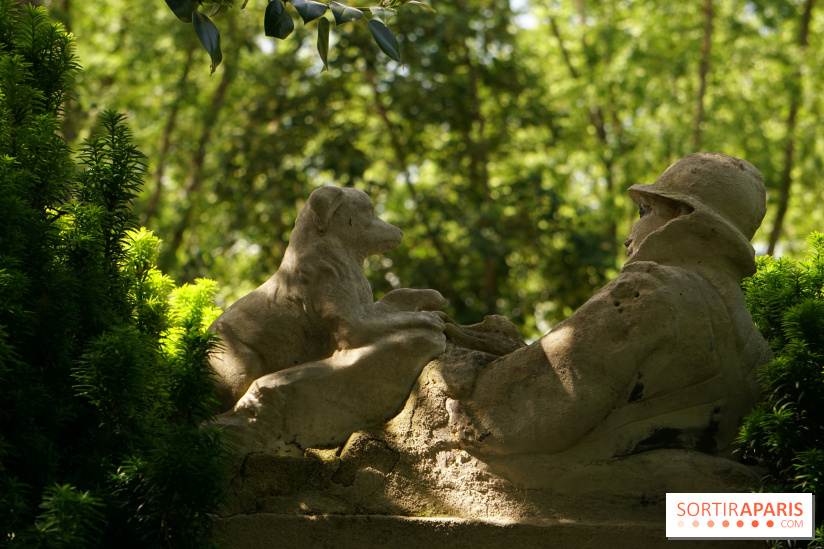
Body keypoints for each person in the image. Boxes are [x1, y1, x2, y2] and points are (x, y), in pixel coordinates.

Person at [460, 152, 773, 459]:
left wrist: (459, 367)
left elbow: (506, 423)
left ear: (681, 216)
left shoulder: (649, 290)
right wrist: (517, 354)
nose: (628, 237)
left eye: (644, 212)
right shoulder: (758, 350)